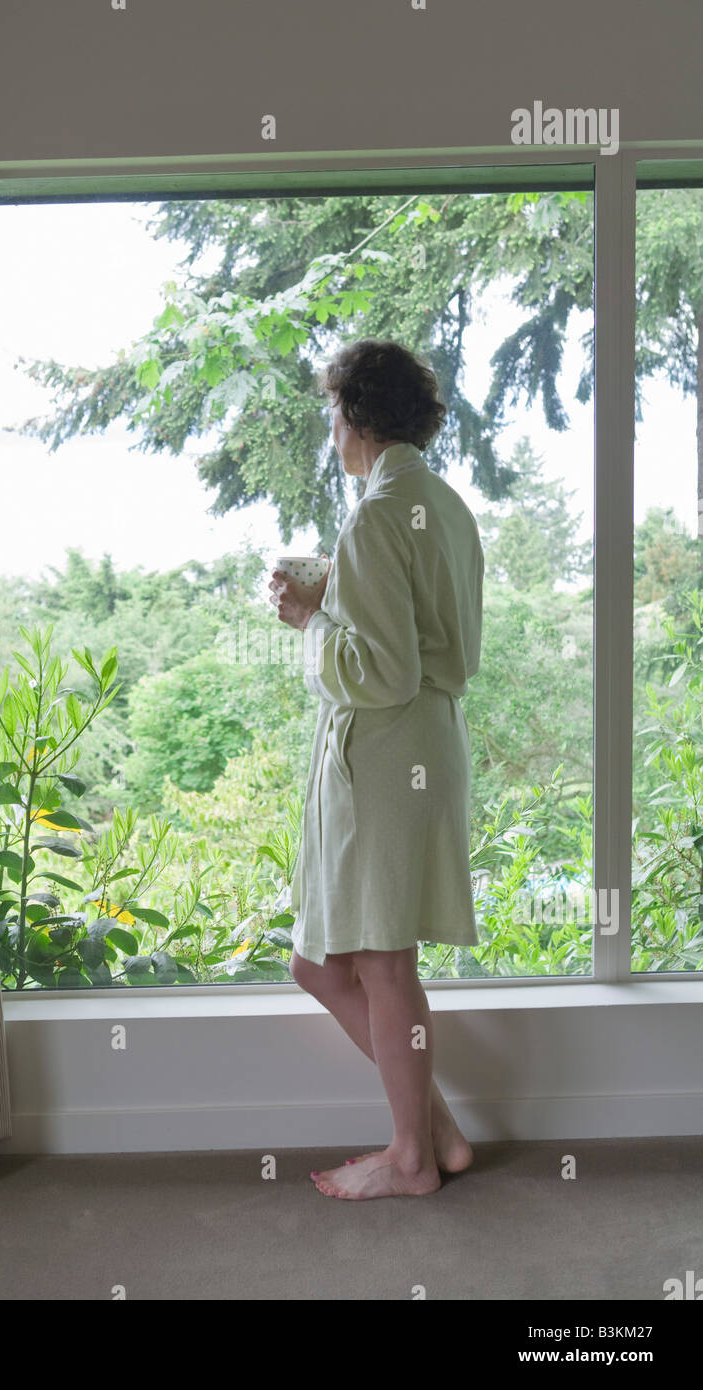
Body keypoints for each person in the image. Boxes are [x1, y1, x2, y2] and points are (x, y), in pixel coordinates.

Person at [269, 338, 484, 1201]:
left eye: (332, 411)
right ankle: (434, 1133)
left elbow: (382, 670)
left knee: (382, 965)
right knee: (324, 962)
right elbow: (435, 644)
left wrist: (308, 622)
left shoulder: (375, 514)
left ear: (357, 418)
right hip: (424, 745)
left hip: (390, 755)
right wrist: (335, 603)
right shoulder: (442, 503)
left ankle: (412, 1157)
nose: (330, 429)